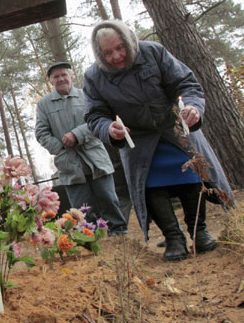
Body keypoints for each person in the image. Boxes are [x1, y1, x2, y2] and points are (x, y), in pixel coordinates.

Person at [83, 19, 234, 261]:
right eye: (107, 53)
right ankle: (173, 238)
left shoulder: (154, 52)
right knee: (151, 186)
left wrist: (193, 107)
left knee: (192, 174)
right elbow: (94, 115)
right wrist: (108, 129)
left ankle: (200, 232)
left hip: (174, 127)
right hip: (138, 141)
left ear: (130, 41)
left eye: (120, 47)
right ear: (98, 53)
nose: (116, 56)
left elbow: (186, 83)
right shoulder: (93, 77)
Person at [35, 62, 127, 235]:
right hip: (69, 163)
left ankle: (119, 233)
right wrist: (61, 148)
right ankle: (89, 239)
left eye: (64, 74)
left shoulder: (87, 95)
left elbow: (100, 120)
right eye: (56, 77)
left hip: (96, 158)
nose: (61, 79)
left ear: (71, 75)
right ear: (51, 81)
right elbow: (41, 133)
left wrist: (77, 135)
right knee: (81, 208)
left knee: (109, 199)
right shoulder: (44, 104)